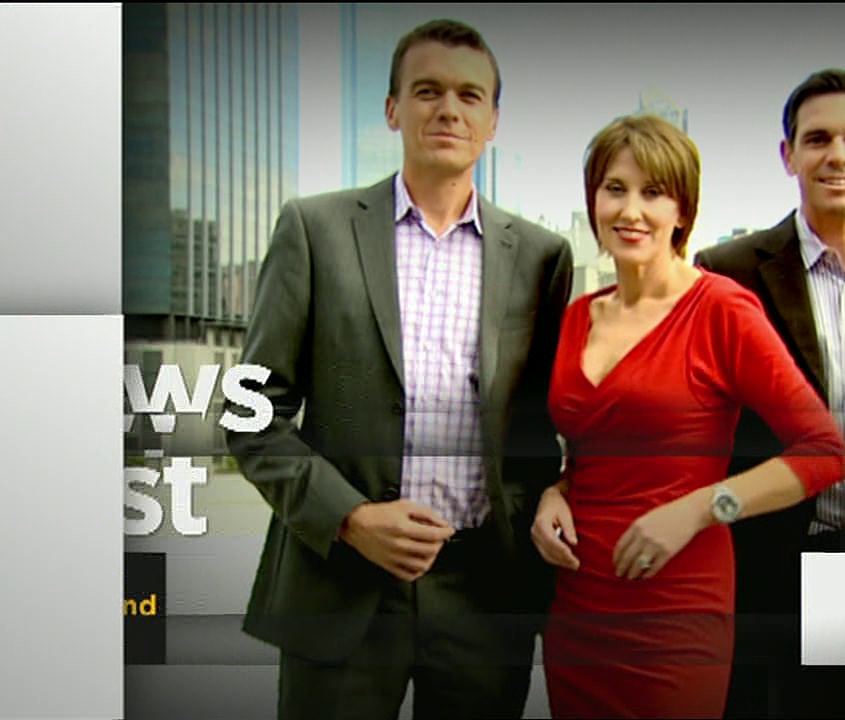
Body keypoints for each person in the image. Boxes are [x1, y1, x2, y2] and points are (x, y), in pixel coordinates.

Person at [225, 19, 573, 720]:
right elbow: (249, 414)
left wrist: (557, 493)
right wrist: (349, 517)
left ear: (493, 121)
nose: (449, 109)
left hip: (484, 594)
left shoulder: (543, 257)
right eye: (427, 91)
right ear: (392, 109)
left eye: (470, 96)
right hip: (341, 585)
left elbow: (550, 425)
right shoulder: (314, 230)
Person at [530, 114, 845, 719]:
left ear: (682, 210)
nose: (630, 210)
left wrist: (699, 509)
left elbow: (824, 453)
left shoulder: (722, 309)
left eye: (653, 192)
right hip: (578, 604)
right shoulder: (577, 316)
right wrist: (556, 491)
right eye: (615, 189)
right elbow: (599, 450)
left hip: (676, 610)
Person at [693, 68, 845, 718]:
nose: (838, 155)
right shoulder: (728, 271)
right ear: (789, 155)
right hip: (779, 570)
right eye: (818, 139)